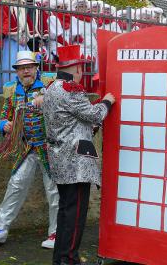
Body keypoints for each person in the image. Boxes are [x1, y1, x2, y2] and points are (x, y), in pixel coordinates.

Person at [42, 44, 115, 265]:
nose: (82, 71)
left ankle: (61, 258)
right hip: (76, 163)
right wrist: (107, 102)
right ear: (75, 68)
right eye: (81, 67)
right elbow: (94, 115)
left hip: (60, 159)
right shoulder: (71, 89)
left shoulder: (52, 88)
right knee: (75, 216)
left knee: (66, 211)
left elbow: (72, 119)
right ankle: (69, 259)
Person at [0, 50, 59, 249]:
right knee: (15, 184)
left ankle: (56, 233)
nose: (26, 71)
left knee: (54, 190)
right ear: (17, 72)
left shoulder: (49, 86)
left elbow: (62, 105)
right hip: (26, 146)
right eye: (21, 68)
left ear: (36, 68)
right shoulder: (12, 91)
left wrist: (47, 100)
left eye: (29, 67)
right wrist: (5, 125)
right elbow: (3, 116)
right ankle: (0, 228)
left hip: (48, 146)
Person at [0, 0, 29, 91]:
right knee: (11, 64)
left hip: (22, 41)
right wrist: (17, 37)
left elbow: (26, 24)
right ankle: (11, 89)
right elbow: (8, 24)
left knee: (25, 64)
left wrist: (25, 37)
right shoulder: (5, 6)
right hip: (11, 41)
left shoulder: (22, 6)